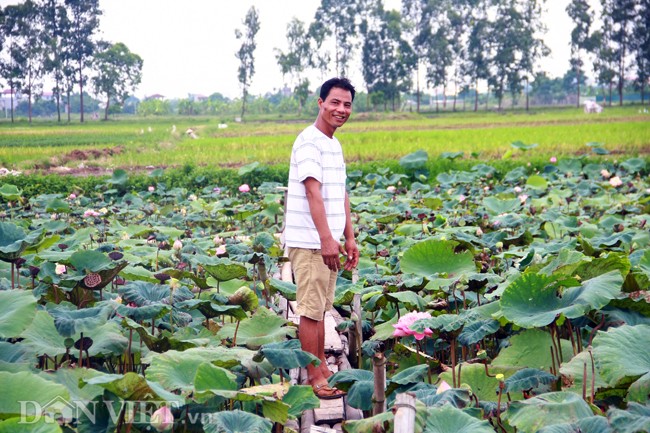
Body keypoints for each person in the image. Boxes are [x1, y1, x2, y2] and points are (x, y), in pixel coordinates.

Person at [284, 77, 359, 399]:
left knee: (320, 308)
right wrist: (327, 240)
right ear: (320, 103)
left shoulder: (333, 143)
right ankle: (315, 375)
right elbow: (313, 193)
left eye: (346, 105)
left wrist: (349, 237)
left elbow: (338, 193)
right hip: (311, 241)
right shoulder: (309, 142)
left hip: (327, 239)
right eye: (335, 103)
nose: (341, 110)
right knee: (311, 311)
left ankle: (323, 368)